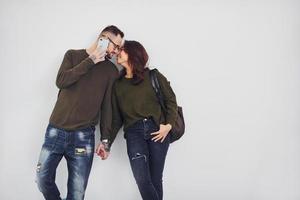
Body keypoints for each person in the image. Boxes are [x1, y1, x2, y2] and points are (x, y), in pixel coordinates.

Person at [36, 25, 124, 200]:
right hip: (56, 131)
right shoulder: (72, 56)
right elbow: (61, 81)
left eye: (119, 48)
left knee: (77, 194)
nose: (116, 51)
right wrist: (91, 60)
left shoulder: (111, 71)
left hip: (83, 138)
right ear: (104, 38)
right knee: (41, 179)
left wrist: (105, 140)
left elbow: (107, 108)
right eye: (116, 46)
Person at [107, 40, 178, 200]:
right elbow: (117, 119)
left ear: (133, 54)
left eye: (122, 50)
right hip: (134, 133)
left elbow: (171, 101)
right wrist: (107, 142)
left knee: (155, 179)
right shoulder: (118, 85)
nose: (118, 52)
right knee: (142, 180)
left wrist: (168, 125)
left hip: (157, 131)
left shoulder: (154, 76)